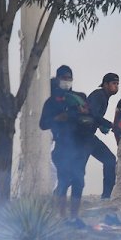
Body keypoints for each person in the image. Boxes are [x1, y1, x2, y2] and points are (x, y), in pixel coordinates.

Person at [39, 65, 91, 228]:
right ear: (58, 79)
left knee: (79, 182)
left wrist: (82, 113)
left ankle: (74, 218)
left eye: (69, 78)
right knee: (63, 181)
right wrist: (58, 118)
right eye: (64, 78)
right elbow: (43, 124)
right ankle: (62, 218)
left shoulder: (79, 98)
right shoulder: (52, 102)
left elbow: (90, 118)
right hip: (62, 147)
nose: (67, 81)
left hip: (79, 146)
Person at [86, 73, 119, 200]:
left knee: (109, 160)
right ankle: (106, 196)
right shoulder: (99, 95)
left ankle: (106, 196)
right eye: (113, 83)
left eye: (117, 84)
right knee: (76, 171)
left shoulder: (103, 97)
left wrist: (100, 125)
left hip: (88, 137)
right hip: (83, 137)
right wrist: (109, 124)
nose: (116, 86)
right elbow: (93, 114)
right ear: (105, 84)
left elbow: (94, 116)